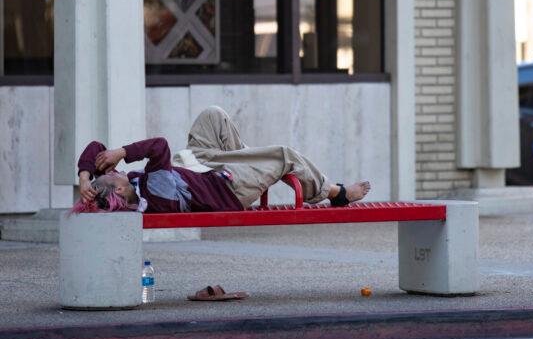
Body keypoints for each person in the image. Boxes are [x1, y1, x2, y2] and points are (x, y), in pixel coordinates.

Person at [73, 106, 370, 213]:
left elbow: (96, 147)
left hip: (196, 170)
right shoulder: (155, 191)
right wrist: (123, 152)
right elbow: (159, 146)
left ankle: (254, 164)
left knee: (212, 116)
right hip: (225, 190)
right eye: (112, 175)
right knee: (284, 154)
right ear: (120, 190)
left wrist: (85, 176)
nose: (115, 170)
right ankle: (336, 193)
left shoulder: (136, 186)